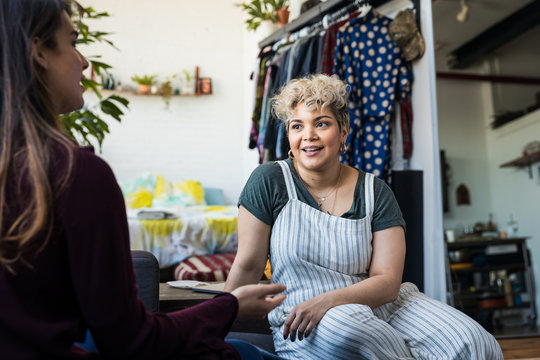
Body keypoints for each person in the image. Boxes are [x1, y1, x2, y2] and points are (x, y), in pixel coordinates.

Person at [0, 1, 286, 359]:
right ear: (39, 51)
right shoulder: (78, 176)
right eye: (73, 42)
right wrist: (230, 306)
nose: (85, 61)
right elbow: (131, 341)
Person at [225, 74, 503, 359]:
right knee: (353, 329)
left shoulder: (375, 191)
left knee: (474, 341)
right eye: (297, 126)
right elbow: (248, 264)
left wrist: (328, 300)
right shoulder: (270, 180)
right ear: (289, 135)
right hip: (307, 319)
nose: (308, 135)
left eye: (321, 123)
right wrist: (215, 319)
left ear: (343, 131)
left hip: (383, 305)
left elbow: (387, 280)